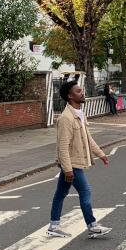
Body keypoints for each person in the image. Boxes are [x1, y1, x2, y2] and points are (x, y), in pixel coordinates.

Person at [47, 81, 112, 239]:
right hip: (72, 163)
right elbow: (63, 147)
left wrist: (101, 154)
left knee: (60, 194)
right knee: (85, 191)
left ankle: (54, 226)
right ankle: (93, 226)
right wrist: (68, 169)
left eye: (81, 90)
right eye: (78, 91)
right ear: (70, 96)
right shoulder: (66, 118)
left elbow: (87, 139)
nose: (82, 93)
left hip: (72, 163)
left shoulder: (79, 114)